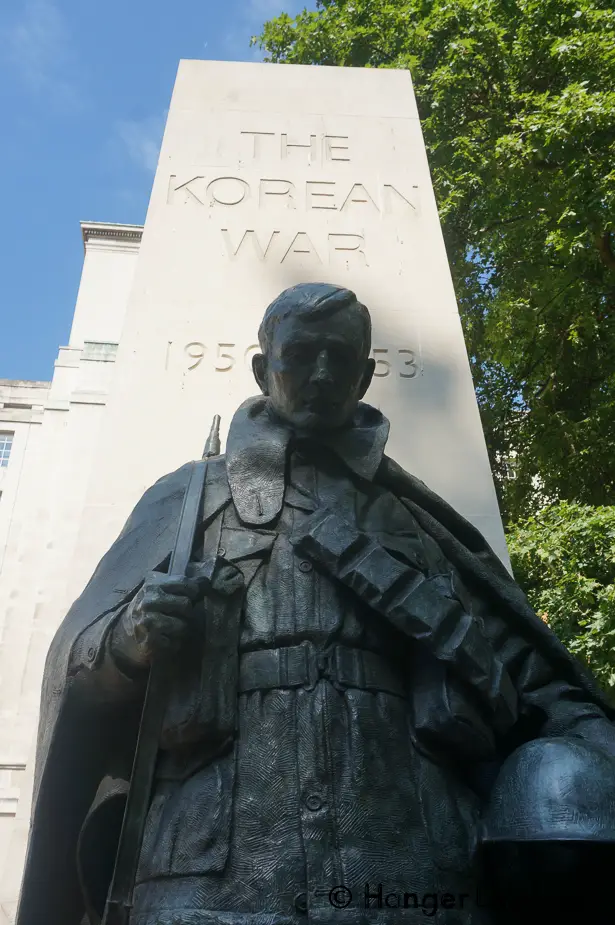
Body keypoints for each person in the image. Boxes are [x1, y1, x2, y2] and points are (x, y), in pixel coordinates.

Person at [16, 283, 615, 925]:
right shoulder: (189, 499)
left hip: (411, 858)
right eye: (300, 354)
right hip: (214, 864)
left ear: (364, 375)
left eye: (339, 358)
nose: (322, 374)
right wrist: (129, 638)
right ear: (262, 368)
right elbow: (77, 663)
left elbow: (528, 675)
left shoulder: (414, 517)